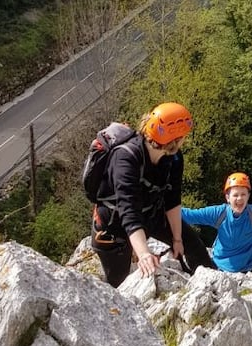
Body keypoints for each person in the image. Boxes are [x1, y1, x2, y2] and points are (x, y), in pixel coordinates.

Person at [90, 102, 214, 287]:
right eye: (183, 137)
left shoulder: (174, 158)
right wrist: (143, 254)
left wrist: (177, 239)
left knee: (194, 246)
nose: (184, 141)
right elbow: (128, 211)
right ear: (174, 140)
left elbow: (172, 198)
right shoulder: (126, 158)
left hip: (151, 214)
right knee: (119, 284)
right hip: (113, 226)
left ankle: (211, 285)